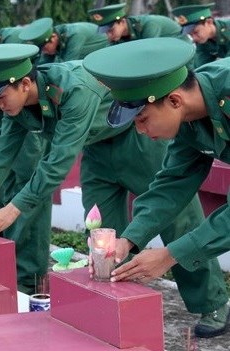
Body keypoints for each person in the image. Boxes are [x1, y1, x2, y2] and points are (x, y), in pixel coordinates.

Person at [0, 42, 227, 319]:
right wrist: (130, 240)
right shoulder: (182, 117)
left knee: (179, 220)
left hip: (137, 148)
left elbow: (58, 161)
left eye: (0, 96)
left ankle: (210, 303)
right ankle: (120, 305)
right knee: (102, 231)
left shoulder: (75, 90)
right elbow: (1, 149)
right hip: (97, 149)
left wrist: (169, 255)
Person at [83, 37, 230, 338]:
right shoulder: (190, 116)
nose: (139, 130)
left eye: (142, 119)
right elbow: (171, 185)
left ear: (174, 100)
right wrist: (129, 239)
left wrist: (169, 255)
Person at [19, 17, 108, 64]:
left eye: (44, 48)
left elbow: (68, 66)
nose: (44, 52)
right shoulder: (57, 34)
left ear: (53, 38)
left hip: (105, 54)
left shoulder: (74, 35)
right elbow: (44, 63)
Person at [88, 2, 181, 44]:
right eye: (106, 32)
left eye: (111, 30)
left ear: (122, 22)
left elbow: (149, 55)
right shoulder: (117, 37)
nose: (109, 36)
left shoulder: (149, 25)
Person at [172, 3, 230, 67]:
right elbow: (200, 67)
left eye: (196, 32)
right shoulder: (203, 42)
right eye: (190, 35)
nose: (193, 38)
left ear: (209, 22)